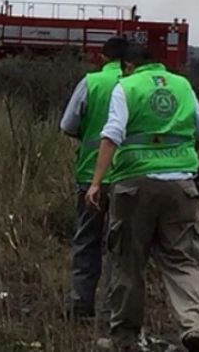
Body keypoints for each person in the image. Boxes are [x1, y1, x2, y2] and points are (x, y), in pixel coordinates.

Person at [86, 43, 199, 351]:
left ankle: (125, 338)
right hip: (183, 186)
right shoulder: (182, 85)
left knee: (128, 261)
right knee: (182, 260)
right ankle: (194, 327)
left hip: (134, 186)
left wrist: (96, 183)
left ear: (129, 65)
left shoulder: (126, 87)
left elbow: (112, 134)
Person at [60, 36, 130, 321]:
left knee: (87, 240)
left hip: (91, 176)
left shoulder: (91, 82)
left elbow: (68, 125)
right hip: (130, 176)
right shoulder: (135, 86)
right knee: (122, 246)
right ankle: (116, 310)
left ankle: (80, 305)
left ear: (102, 58)